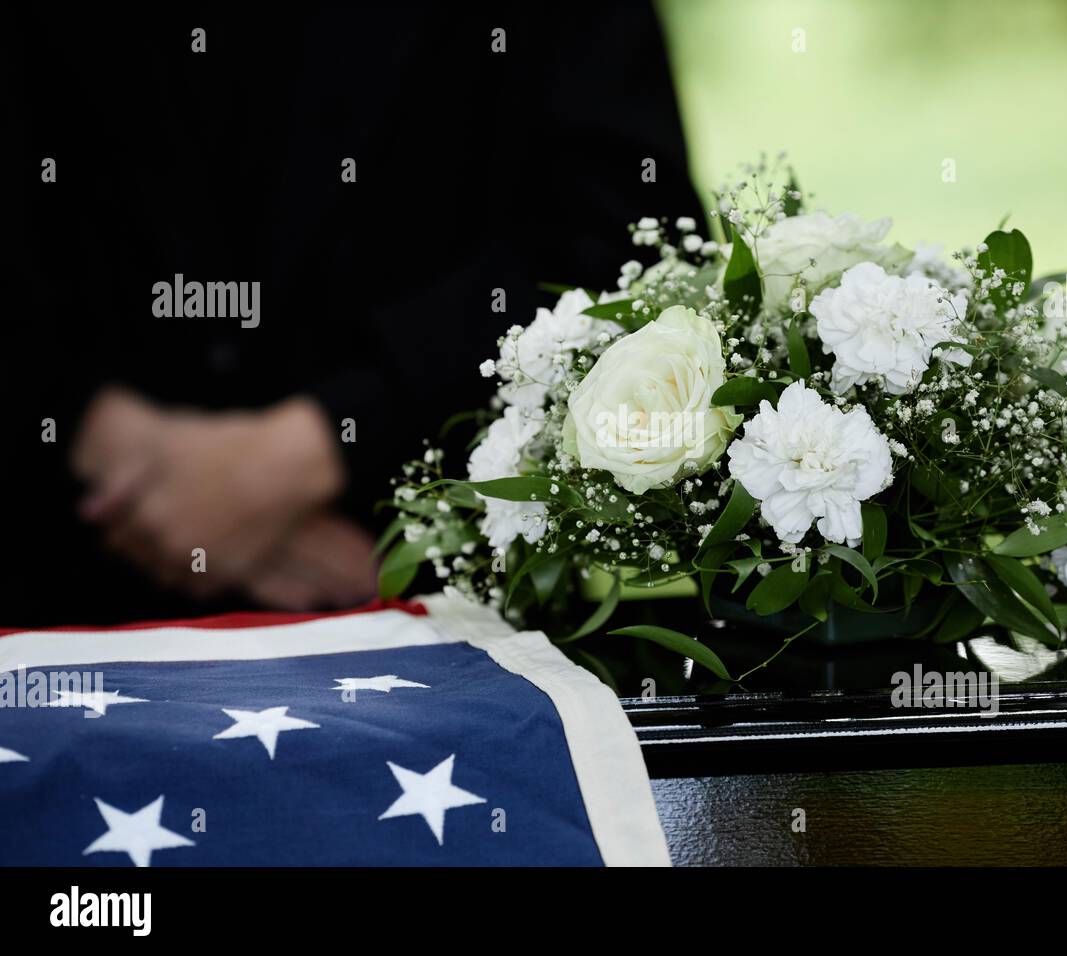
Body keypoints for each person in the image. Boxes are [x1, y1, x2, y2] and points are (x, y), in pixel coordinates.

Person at [1, 5, 704, 626]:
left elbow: (627, 251)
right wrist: (98, 433)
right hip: (57, 589)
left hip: (426, 598)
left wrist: (303, 456)